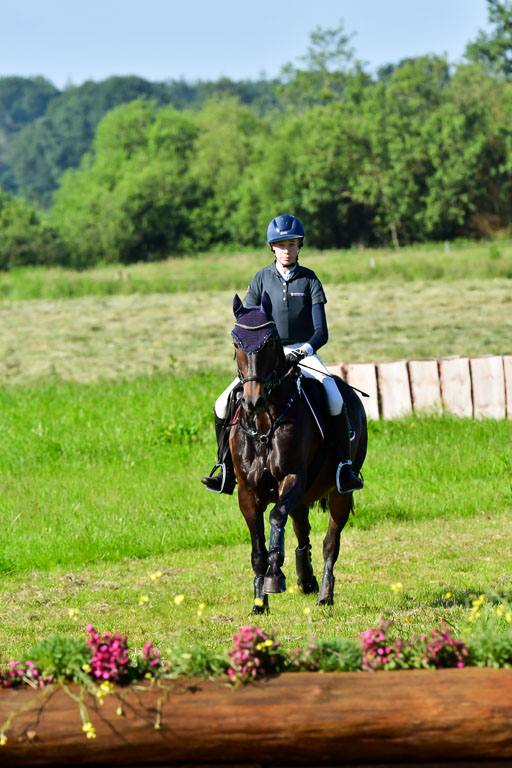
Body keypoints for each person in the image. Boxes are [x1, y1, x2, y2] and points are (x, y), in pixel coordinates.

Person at [201, 214, 364, 496]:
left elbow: (321, 332)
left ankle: (345, 467)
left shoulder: (310, 280)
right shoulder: (261, 279)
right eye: (280, 245)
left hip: (303, 352)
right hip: (266, 358)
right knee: (221, 403)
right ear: (272, 248)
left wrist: (304, 351)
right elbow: (249, 322)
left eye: (291, 244)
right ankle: (224, 469)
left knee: (335, 397)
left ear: (299, 246)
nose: (286, 250)